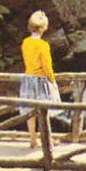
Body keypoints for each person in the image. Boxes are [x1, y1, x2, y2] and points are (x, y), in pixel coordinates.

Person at [19, 10, 60, 147]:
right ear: (43, 27)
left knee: (30, 112)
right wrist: (53, 80)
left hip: (28, 79)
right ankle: (47, 139)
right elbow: (47, 66)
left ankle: (32, 140)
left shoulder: (25, 42)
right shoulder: (43, 45)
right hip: (41, 80)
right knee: (44, 111)